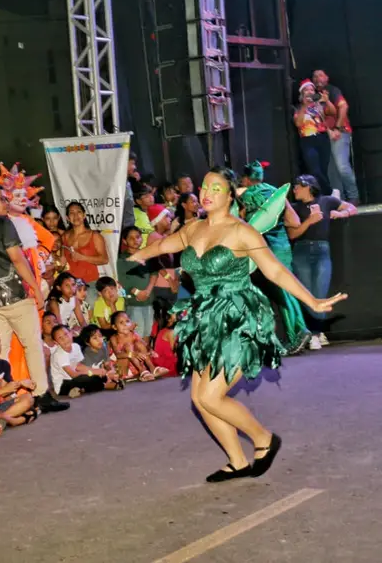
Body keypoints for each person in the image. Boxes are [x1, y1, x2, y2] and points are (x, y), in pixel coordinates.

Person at [127, 167, 347, 483]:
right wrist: (136, 255)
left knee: (211, 397)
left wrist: (313, 301)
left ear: (230, 196)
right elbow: (162, 247)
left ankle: (264, 439)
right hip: (204, 319)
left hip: (238, 318)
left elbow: (275, 272)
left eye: (216, 188)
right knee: (199, 399)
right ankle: (237, 461)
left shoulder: (242, 232)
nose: (207, 192)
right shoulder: (193, 229)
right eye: (204, 186)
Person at [0, 184, 67, 413]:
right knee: (32, 344)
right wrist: (36, 288)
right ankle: (41, 394)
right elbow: (18, 259)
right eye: (0, 199)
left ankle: (3, 396)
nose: (5, 203)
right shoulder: (4, 224)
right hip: (15, 296)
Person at [238, 161, 311, 355]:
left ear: (246, 179)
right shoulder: (276, 193)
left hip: (265, 248)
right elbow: (294, 222)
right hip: (283, 246)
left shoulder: (244, 196)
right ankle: (298, 331)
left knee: (280, 292)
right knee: (288, 288)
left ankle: (298, 333)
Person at [288, 175, 357, 349]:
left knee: (320, 292)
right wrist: (309, 222)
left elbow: (352, 207)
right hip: (301, 251)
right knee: (306, 295)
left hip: (321, 251)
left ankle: (316, 333)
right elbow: (293, 234)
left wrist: (341, 213)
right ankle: (314, 334)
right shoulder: (294, 208)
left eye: (297, 186)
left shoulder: (326, 201)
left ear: (308, 187)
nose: (294, 190)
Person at [313, 69, 359, 203]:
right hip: (326, 134)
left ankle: (353, 196)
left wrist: (337, 128)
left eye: (320, 75)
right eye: (314, 77)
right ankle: (340, 200)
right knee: (331, 170)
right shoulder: (315, 96)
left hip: (340, 132)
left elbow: (343, 107)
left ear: (327, 78)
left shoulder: (332, 90)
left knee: (342, 166)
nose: (317, 79)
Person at [49, 324, 119, 398]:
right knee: (87, 378)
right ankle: (105, 385)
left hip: (77, 378)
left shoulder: (76, 346)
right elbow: (73, 374)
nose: (65, 339)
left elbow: (79, 366)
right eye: (60, 338)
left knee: (97, 375)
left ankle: (80, 389)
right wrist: (92, 372)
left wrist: (96, 371)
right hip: (63, 384)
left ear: (71, 333)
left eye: (66, 334)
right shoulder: (59, 355)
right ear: (56, 342)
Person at [61, 201, 109, 303]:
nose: (75, 215)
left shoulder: (95, 235)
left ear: (84, 215)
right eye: (72, 213)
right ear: (67, 218)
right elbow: (62, 262)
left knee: (90, 317)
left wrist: (83, 257)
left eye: (78, 212)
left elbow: (104, 259)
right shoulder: (64, 236)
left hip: (89, 285)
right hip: (70, 287)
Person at [294, 79, 335, 196]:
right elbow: (298, 123)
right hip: (308, 139)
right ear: (302, 93)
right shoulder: (298, 108)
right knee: (314, 170)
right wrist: (304, 106)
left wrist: (327, 101)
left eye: (312, 89)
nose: (310, 91)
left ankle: (324, 196)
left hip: (322, 138)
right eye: (307, 89)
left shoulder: (319, 106)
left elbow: (332, 112)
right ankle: (331, 192)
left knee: (323, 169)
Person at [117, 227, 157, 339]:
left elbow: (154, 273)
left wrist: (148, 291)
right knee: (136, 336)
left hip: (148, 300)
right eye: (131, 238)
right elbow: (123, 281)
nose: (136, 240)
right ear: (125, 241)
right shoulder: (122, 259)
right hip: (133, 302)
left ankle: (147, 356)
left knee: (148, 334)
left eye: (138, 237)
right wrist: (138, 292)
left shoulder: (147, 254)